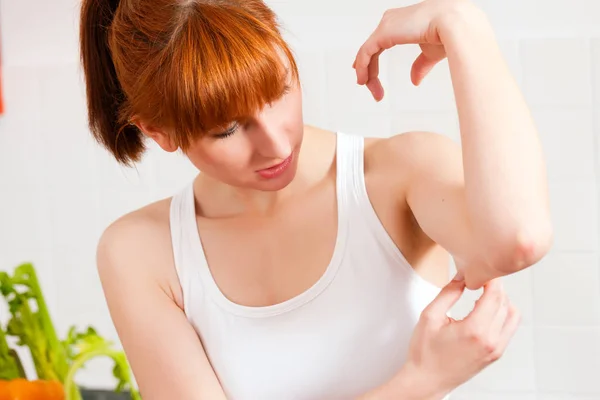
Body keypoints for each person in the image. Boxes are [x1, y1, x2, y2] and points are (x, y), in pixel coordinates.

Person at [78, 0, 553, 399]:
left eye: (280, 89)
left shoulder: (397, 174)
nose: (278, 145)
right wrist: (421, 382)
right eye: (227, 129)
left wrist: (463, 24)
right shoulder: (142, 252)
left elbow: (519, 240)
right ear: (158, 132)